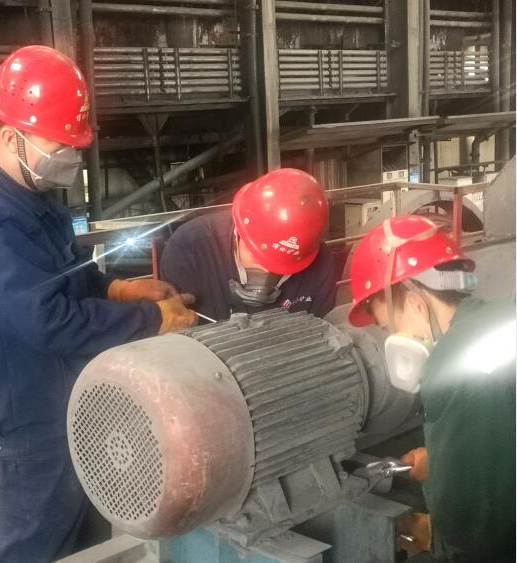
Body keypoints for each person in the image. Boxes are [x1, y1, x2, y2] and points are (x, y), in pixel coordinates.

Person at [0, 45, 196, 563]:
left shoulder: (31, 199)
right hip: (23, 419)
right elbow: (49, 320)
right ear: (11, 135)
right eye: (62, 145)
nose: (72, 158)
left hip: (61, 398)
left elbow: (66, 278)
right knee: (36, 541)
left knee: (87, 537)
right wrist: (152, 318)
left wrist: (117, 289)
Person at [348, 214, 515, 562]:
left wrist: (438, 535)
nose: (394, 337)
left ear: (415, 300)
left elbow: (475, 535)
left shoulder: (449, 366)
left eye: (389, 326)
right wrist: (443, 462)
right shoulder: (504, 315)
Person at [159, 168, 337, 321]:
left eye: (280, 263)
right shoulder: (188, 250)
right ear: (240, 230)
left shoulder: (320, 263)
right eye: (257, 255)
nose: (267, 270)